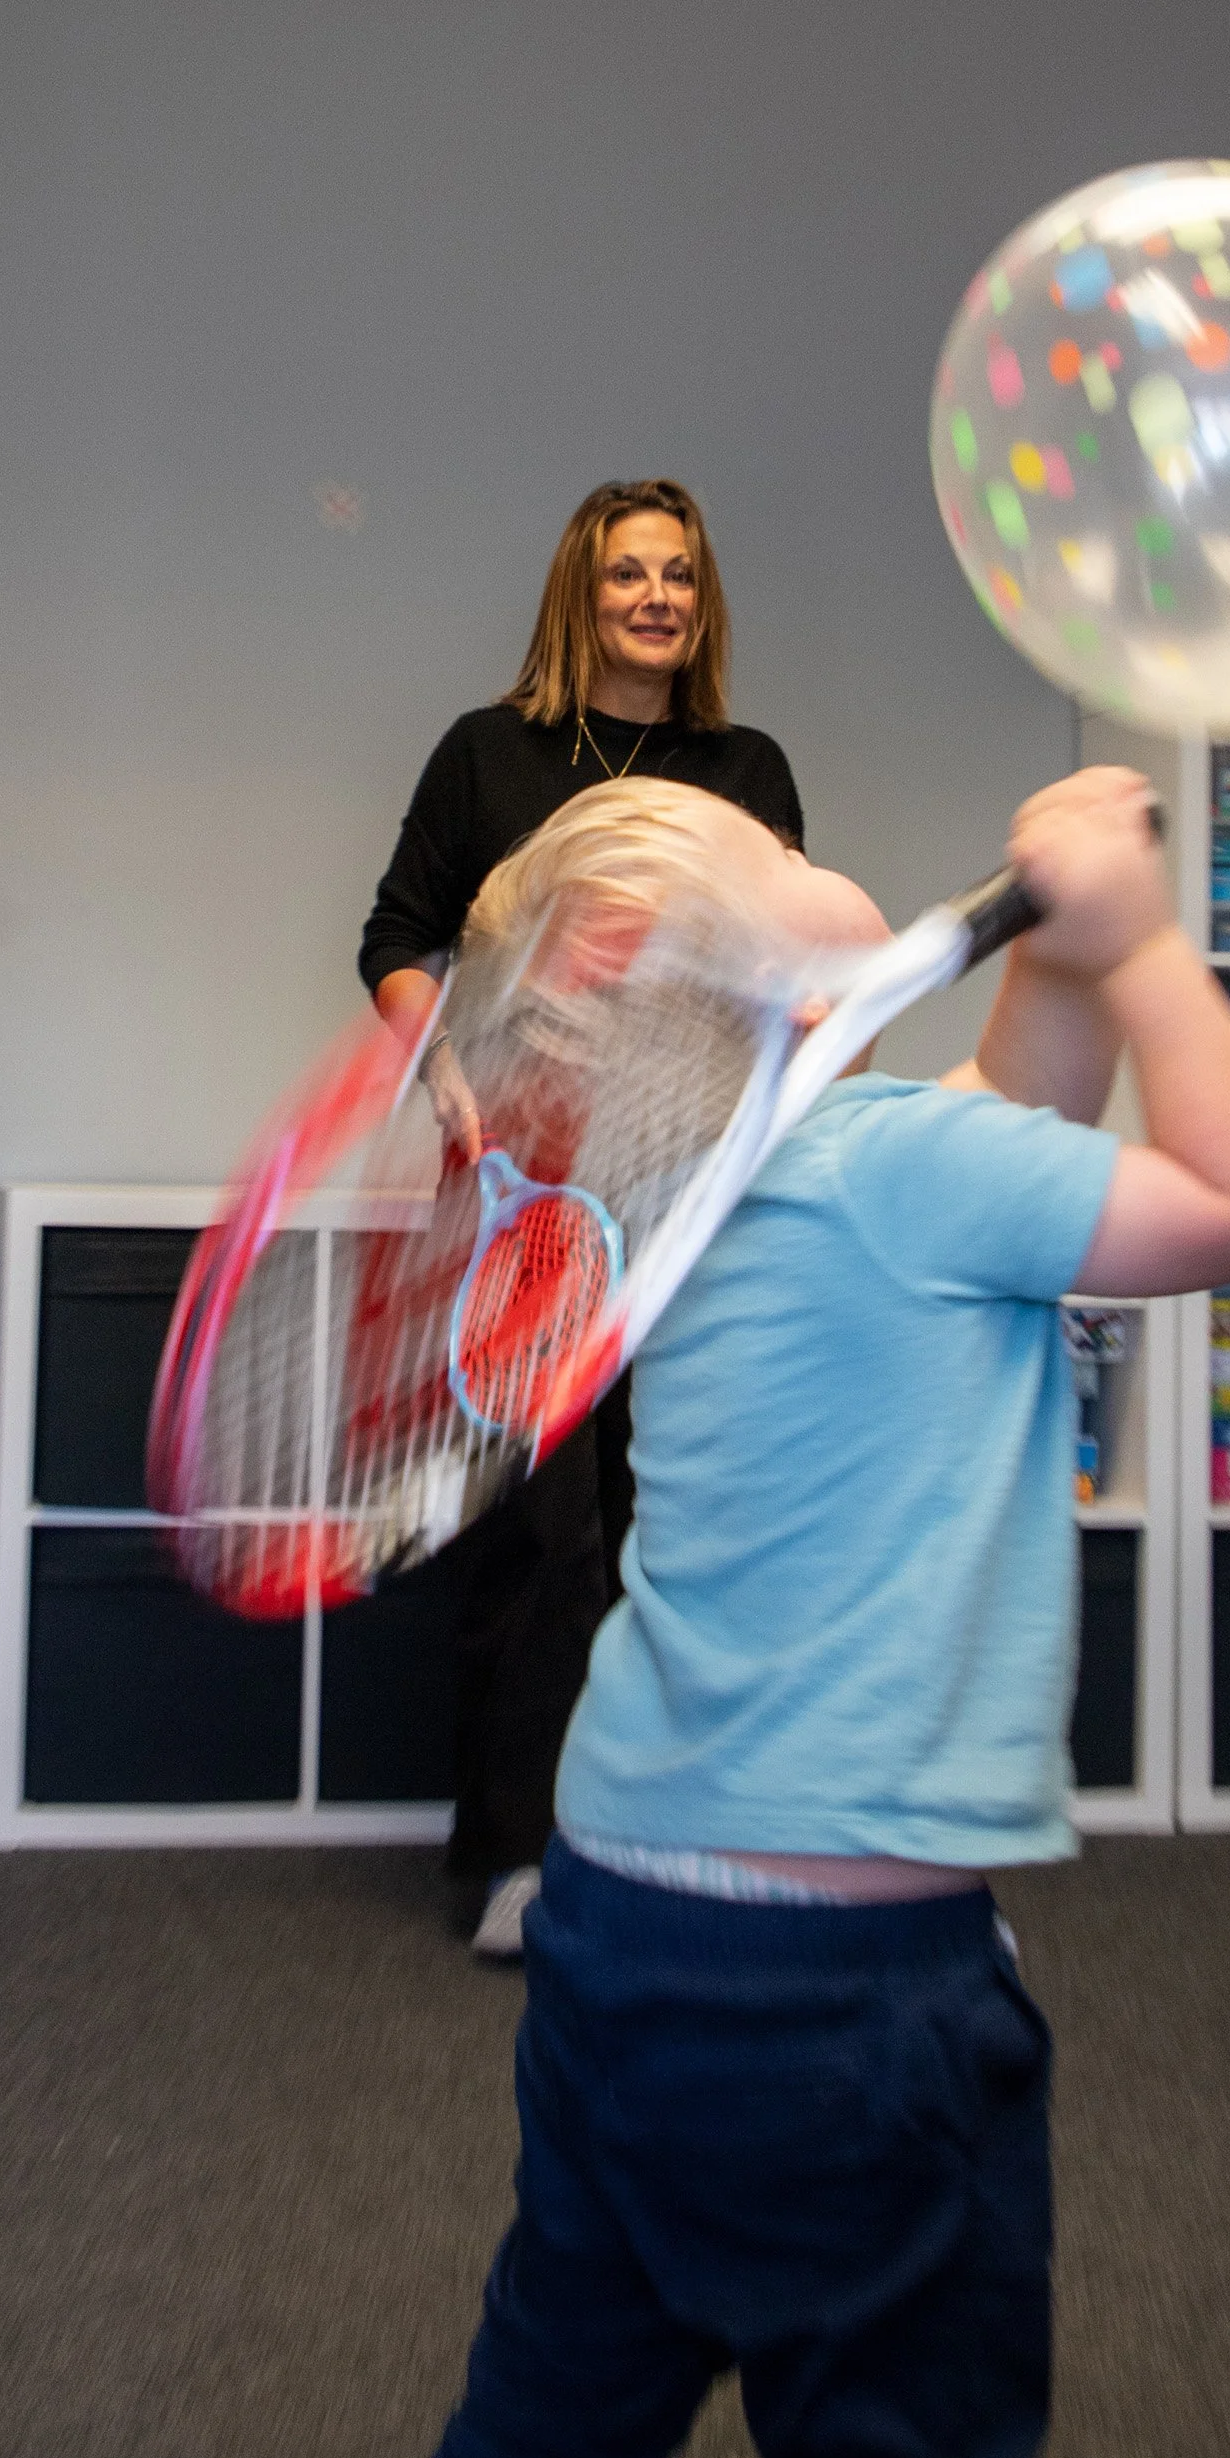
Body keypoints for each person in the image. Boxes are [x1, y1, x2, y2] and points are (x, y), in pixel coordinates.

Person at [312, 767, 1230, 2458]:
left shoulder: (717, 1188)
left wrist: (1041, 956)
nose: (814, 833)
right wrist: (1131, 944)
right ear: (732, 973)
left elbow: (1003, 1131)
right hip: (850, 2005)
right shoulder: (892, 1166)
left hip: (624, 1935)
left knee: (546, 2431)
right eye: (765, 853)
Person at [359, 478, 805, 1960]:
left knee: (679, 1528)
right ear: (583, 591)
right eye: (631, 574)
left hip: (689, 1206)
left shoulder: (743, 769)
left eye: (681, 574)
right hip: (522, 1211)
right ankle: (510, 1859)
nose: (659, 597)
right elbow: (397, 937)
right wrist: (446, 1076)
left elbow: (786, 963)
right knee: (540, 1539)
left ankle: (668, 1844)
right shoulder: (488, 755)